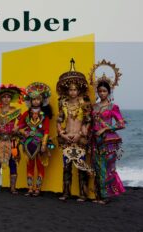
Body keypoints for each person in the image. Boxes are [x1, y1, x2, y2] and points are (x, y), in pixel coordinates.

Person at [56, 59, 93, 201]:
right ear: (67, 90)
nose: (73, 92)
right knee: (66, 167)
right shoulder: (63, 104)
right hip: (66, 139)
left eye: (75, 89)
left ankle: (83, 194)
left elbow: (88, 121)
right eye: (70, 89)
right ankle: (66, 193)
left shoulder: (84, 104)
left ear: (79, 90)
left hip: (79, 139)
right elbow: (59, 120)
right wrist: (61, 133)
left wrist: (80, 134)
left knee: (81, 167)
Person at [89, 60, 126, 204]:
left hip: (108, 142)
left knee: (107, 168)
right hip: (95, 140)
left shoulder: (113, 107)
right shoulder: (94, 107)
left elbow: (121, 124)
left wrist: (105, 128)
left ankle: (106, 196)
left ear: (109, 91)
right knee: (97, 167)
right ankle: (99, 195)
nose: (102, 93)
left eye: (104, 91)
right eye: (99, 91)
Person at [0, 84, 25, 194]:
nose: (6, 99)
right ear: (0, 98)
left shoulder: (16, 111)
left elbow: (23, 123)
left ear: (11, 99)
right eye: (4, 97)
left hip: (12, 140)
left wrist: (18, 127)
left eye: (8, 97)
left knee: (13, 161)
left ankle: (13, 187)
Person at [18, 82, 54, 197]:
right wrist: (25, 132)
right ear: (30, 100)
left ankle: (38, 188)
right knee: (29, 165)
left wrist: (44, 144)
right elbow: (19, 127)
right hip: (28, 143)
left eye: (38, 99)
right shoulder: (26, 114)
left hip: (39, 143)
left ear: (42, 100)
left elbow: (47, 130)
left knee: (39, 165)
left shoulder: (45, 115)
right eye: (34, 99)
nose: (36, 101)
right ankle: (30, 188)